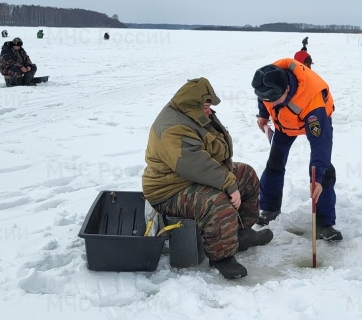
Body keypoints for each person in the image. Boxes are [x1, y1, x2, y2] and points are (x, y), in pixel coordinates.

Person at [142, 77, 272, 279]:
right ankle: (222, 256)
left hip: (191, 177)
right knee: (216, 202)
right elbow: (195, 165)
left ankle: (240, 233)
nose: (209, 110)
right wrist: (228, 183)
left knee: (246, 175)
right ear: (193, 104)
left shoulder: (193, 114)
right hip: (169, 190)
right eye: (206, 106)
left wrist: (230, 176)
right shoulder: (173, 128)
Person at [251, 59, 342, 241]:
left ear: (286, 89)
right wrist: (263, 114)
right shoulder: (267, 79)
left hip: (312, 120)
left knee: (323, 171)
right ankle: (269, 208)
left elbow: (321, 145)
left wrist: (317, 179)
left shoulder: (312, 102)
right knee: (274, 164)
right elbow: (264, 98)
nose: (272, 103)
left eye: (274, 100)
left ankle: (325, 223)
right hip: (284, 124)